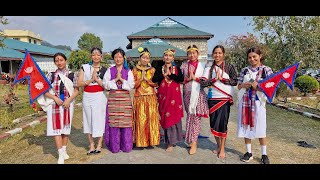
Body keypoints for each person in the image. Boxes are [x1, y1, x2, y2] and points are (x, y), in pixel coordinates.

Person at [237, 47, 273, 164]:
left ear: (260, 56)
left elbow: (271, 86)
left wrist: (258, 87)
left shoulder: (266, 70)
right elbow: (238, 85)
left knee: (261, 128)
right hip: (245, 103)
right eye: (250, 57)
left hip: (258, 103)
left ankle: (264, 154)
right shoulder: (245, 70)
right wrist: (244, 85)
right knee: (246, 126)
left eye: (254, 56)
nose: (252, 59)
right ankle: (249, 152)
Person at [201, 45, 237, 159]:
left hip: (224, 99)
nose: (217, 55)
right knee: (213, 124)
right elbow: (203, 83)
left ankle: (222, 149)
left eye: (220, 53)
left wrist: (222, 79)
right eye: (215, 53)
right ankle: (218, 145)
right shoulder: (209, 68)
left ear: (223, 54)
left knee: (222, 124)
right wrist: (214, 80)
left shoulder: (229, 67)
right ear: (212, 54)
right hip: (212, 99)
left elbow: (235, 81)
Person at [43, 52, 79, 164]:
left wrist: (68, 100)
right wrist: (54, 98)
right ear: (55, 62)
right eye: (57, 60)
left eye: (61, 60)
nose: (59, 62)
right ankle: (60, 154)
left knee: (65, 128)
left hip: (68, 104)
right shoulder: (51, 75)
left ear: (65, 60)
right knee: (56, 128)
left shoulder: (72, 75)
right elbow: (44, 91)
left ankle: (64, 150)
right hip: (55, 104)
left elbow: (77, 90)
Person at [103, 48, 135, 153]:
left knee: (126, 123)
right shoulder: (110, 70)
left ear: (123, 58)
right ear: (113, 58)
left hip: (125, 99)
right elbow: (105, 84)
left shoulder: (128, 71)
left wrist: (122, 80)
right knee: (114, 123)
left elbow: (131, 85)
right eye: (116, 57)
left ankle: (126, 146)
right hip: (113, 100)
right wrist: (115, 80)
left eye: (120, 57)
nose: (118, 59)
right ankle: (115, 147)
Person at [152, 48, 184, 152]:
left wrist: (170, 75)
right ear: (163, 57)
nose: (168, 57)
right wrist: (163, 74)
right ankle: (168, 140)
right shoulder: (159, 68)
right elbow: (154, 79)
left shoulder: (176, 68)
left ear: (173, 58)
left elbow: (181, 79)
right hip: (163, 97)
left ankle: (172, 142)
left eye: (170, 56)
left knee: (173, 118)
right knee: (165, 118)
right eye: (166, 55)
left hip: (174, 97)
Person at [77, 47, 107, 155]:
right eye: (93, 54)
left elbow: (107, 86)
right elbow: (79, 83)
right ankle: (91, 145)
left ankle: (99, 143)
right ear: (91, 56)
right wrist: (91, 80)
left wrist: (97, 80)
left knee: (100, 118)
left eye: (98, 54)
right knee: (88, 118)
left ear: (101, 56)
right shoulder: (85, 68)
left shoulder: (105, 70)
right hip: (87, 96)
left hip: (100, 96)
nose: (96, 56)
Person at [180, 45, 209, 155]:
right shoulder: (184, 65)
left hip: (198, 94)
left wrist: (195, 78)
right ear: (187, 55)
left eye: (194, 53)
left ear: (198, 53)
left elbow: (206, 82)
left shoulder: (203, 66)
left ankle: (194, 142)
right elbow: (181, 80)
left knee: (196, 118)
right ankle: (189, 138)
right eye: (190, 53)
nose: (192, 55)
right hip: (187, 94)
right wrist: (187, 79)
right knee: (190, 117)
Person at [132, 47, 160, 148]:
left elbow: (156, 84)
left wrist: (147, 81)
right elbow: (132, 86)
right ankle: (141, 141)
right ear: (140, 58)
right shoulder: (134, 70)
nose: (145, 59)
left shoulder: (153, 70)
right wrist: (140, 80)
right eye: (143, 57)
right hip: (139, 97)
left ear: (149, 59)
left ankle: (151, 141)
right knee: (141, 119)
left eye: (147, 58)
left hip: (151, 97)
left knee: (151, 119)